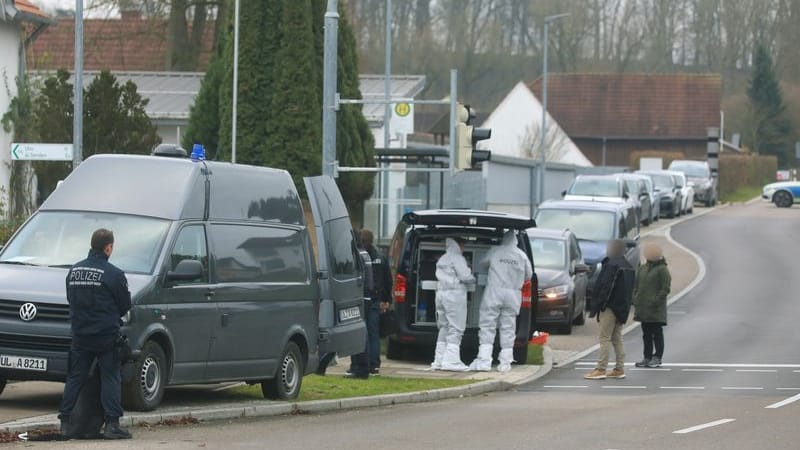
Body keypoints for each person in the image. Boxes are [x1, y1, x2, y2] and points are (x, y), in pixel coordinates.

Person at [59, 229, 132, 440]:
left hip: (80, 335)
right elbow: (124, 305)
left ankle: (65, 423)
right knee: (111, 376)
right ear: (108, 247)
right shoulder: (114, 274)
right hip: (106, 336)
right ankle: (112, 425)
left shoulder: (74, 271)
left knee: (75, 377)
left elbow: (70, 300)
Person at [469, 231, 533, 373]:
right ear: (515, 241)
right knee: (508, 327)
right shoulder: (522, 255)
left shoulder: (495, 251)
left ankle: (484, 361)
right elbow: (529, 274)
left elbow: (482, 263)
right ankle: (505, 363)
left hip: (494, 292)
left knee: (487, 325)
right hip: (513, 294)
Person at [585, 240, 635, 380]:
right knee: (617, 338)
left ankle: (601, 369)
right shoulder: (629, 266)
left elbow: (605, 286)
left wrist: (599, 305)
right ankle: (619, 368)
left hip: (610, 306)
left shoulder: (612, 265)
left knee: (604, 337)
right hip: (622, 307)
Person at [431, 238, 475, 371]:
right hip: (454, 296)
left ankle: (439, 360)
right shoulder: (457, 258)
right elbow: (466, 276)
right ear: (458, 245)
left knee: (444, 327)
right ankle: (451, 361)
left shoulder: (443, 258)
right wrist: (474, 278)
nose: (464, 248)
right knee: (456, 327)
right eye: (463, 245)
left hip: (441, 294)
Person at [633, 243, 672, 368]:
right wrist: (636, 298)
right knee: (646, 334)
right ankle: (647, 357)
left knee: (657, 333)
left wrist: (655, 301)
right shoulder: (643, 268)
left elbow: (665, 288)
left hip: (655, 309)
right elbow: (636, 286)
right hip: (643, 308)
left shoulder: (662, 269)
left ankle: (657, 357)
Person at [359, 230, 392, 375]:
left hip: (362, 299)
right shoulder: (381, 257)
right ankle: (374, 365)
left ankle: (362, 363)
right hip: (376, 300)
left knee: (362, 331)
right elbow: (388, 280)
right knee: (374, 333)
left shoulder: (359, 256)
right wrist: (386, 300)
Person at [346, 246, 375, 379]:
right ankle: (358, 367)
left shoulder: (358, 255)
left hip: (360, 297)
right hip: (366, 297)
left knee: (360, 332)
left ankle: (361, 368)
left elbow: (357, 277)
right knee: (362, 331)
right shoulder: (365, 254)